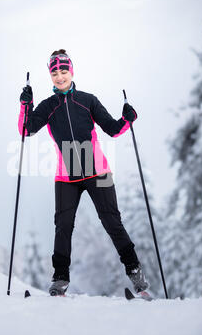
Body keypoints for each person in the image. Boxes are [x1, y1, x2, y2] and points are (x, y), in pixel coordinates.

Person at [18, 49, 148, 296]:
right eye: (54, 72)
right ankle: (60, 279)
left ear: (71, 71)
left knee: (112, 221)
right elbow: (26, 129)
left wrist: (127, 119)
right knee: (63, 226)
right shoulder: (48, 106)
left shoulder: (87, 100)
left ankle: (135, 273)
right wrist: (26, 105)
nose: (59, 76)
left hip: (97, 171)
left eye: (63, 70)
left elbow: (112, 128)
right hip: (67, 176)